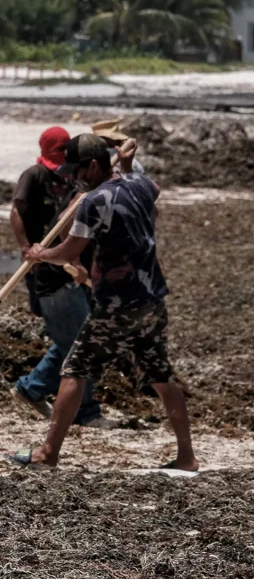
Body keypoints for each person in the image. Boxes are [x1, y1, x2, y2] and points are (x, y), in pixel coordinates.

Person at [6, 134, 198, 471]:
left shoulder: (93, 201)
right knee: (162, 377)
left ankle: (48, 454)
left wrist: (39, 254)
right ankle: (187, 457)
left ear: (93, 165)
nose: (73, 176)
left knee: (74, 370)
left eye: (78, 169)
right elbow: (150, 194)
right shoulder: (138, 185)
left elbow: (68, 251)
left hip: (115, 305)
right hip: (151, 299)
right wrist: (123, 163)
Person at [9, 127, 108, 427]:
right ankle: (85, 411)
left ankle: (32, 387)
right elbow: (21, 213)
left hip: (66, 271)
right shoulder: (35, 176)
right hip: (50, 270)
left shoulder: (75, 182)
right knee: (81, 345)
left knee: (72, 339)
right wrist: (29, 249)